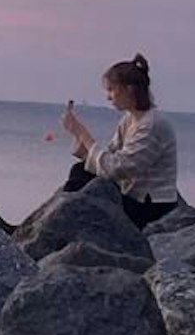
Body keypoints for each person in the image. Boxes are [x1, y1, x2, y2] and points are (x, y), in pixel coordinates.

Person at [59, 54, 181, 228]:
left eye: (111, 90)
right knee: (80, 171)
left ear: (129, 89)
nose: (108, 97)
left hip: (150, 207)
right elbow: (111, 156)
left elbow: (118, 169)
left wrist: (83, 134)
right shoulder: (129, 119)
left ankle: (60, 226)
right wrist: (86, 154)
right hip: (133, 196)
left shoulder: (152, 124)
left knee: (83, 179)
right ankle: (49, 224)